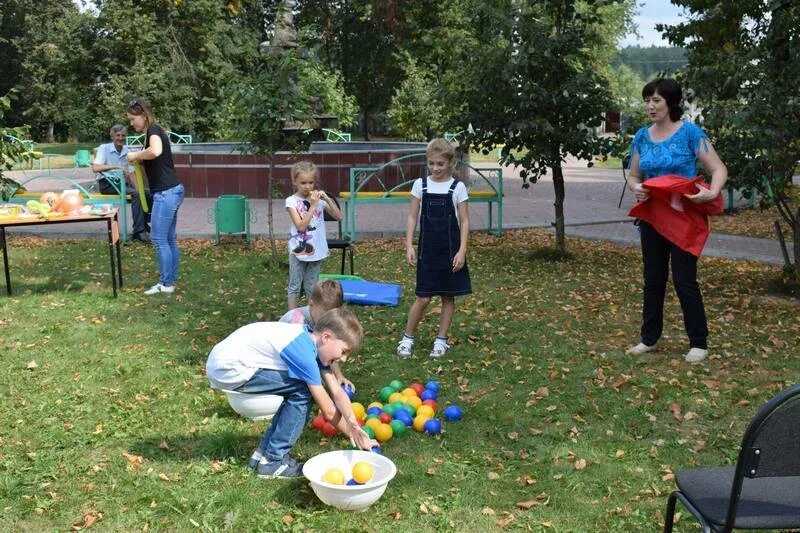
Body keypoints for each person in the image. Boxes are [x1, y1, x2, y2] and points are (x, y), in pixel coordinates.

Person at [625, 78, 728, 363]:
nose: (650, 106)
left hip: (684, 218)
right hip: (653, 218)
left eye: (656, 100)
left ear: (670, 102)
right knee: (653, 280)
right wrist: (637, 188)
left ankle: (698, 342)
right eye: (647, 100)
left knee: (684, 280)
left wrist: (713, 192)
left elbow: (718, 168)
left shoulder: (690, 133)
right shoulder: (641, 137)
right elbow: (634, 175)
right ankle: (649, 338)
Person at [205, 307, 374, 478]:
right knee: (303, 390)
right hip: (228, 367)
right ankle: (272, 461)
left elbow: (337, 391)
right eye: (344, 351)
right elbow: (329, 411)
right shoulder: (304, 353)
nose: (343, 359)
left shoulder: (312, 342)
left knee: (301, 388)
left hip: (227, 362)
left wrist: (353, 424)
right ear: (326, 337)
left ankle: (262, 456)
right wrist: (352, 434)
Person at [397, 138, 471, 359]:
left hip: (450, 252)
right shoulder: (420, 185)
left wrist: (462, 251)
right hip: (427, 252)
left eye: (440, 164)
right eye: (432, 164)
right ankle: (407, 338)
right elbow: (412, 217)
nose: (436, 168)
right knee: (423, 298)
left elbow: (465, 221)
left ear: (451, 163)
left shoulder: (458, 188)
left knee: (448, 297)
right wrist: (409, 244)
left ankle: (441, 340)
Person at [125, 98, 185, 295]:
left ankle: (166, 283)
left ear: (143, 116)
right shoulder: (152, 133)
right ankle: (170, 281)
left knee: (159, 238)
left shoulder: (153, 130)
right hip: (171, 190)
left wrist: (136, 155)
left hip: (167, 192)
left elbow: (156, 151)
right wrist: (140, 160)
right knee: (168, 238)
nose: (131, 123)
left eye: (133, 119)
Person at [285, 161, 343, 309]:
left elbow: (339, 217)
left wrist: (327, 199)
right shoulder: (291, 201)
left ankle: (312, 315)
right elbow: (301, 226)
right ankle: (293, 317)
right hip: (298, 249)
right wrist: (313, 206)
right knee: (295, 286)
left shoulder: (318, 201)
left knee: (312, 286)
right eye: (303, 183)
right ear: (295, 182)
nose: (308, 187)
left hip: (316, 250)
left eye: (311, 182)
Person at [279, 279, 355, 392]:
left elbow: (329, 352)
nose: (327, 320)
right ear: (311, 303)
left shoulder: (328, 322)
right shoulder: (296, 321)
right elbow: (299, 357)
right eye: (324, 315)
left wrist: (338, 376)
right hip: (282, 362)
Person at [91, 124, 152, 243]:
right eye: (117, 135)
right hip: (107, 183)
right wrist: (116, 166)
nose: (120, 138)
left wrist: (139, 190)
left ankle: (143, 224)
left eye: (123, 135)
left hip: (122, 184)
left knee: (147, 193)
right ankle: (139, 231)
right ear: (112, 136)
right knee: (136, 194)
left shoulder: (127, 151)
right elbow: (96, 168)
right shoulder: (104, 148)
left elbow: (131, 173)